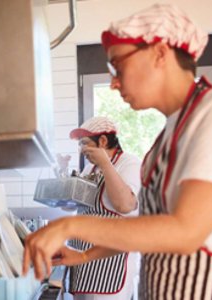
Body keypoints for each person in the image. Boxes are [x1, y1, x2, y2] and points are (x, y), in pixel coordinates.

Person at [23, 3, 212, 300]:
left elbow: (186, 231)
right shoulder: (167, 136)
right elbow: (152, 227)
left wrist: (69, 225)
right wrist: (84, 256)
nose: (114, 83)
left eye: (118, 65)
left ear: (159, 53)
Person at [57, 116, 142, 300]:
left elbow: (125, 205)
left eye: (85, 143)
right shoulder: (90, 169)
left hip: (110, 265)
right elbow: (70, 206)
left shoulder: (130, 163)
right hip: (82, 262)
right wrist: (62, 171)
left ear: (103, 141)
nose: (82, 150)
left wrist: (105, 164)